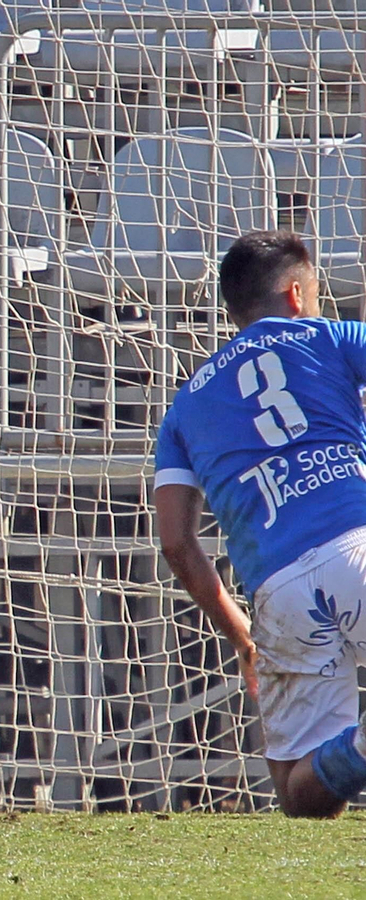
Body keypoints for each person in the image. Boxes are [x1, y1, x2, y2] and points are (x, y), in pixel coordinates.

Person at [154, 230, 366, 818]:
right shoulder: (329, 337)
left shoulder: (183, 408)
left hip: (277, 591)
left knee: (298, 792)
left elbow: (175, 543)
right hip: (357, 544)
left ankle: (359, 751)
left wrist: (243, 638)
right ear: (297, 295)